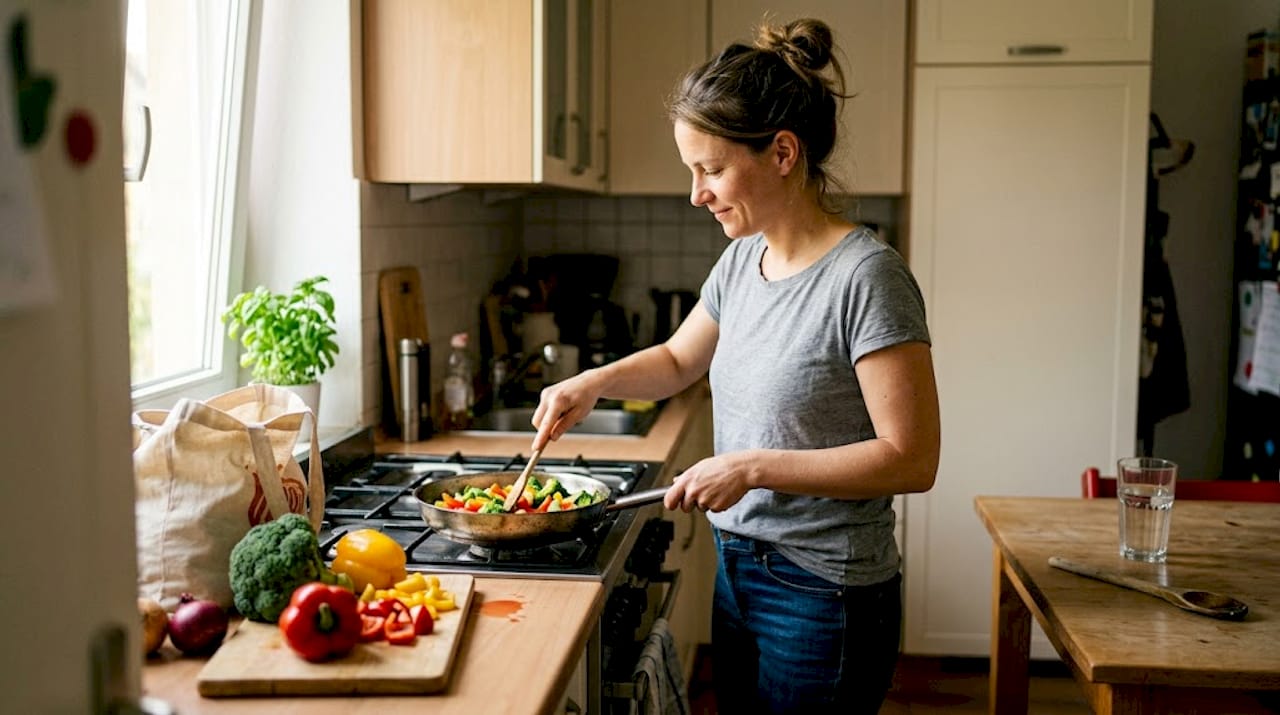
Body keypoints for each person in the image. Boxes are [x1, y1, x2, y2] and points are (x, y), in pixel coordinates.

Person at [529, 17, 940, 715]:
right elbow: (677, 358)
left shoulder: (866, 277)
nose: (697, 193)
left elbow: (912, 459)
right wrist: (592, 382)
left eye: (711, 169)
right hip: (739, 567)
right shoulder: (742, 259)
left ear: (782, 152)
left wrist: (750, 467)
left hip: (824, 592)